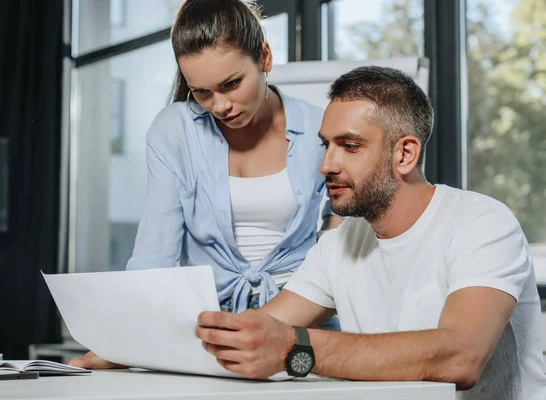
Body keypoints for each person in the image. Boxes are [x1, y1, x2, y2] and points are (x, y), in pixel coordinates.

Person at [194, 66, 546, 399]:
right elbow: (259, 332)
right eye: (325, 145)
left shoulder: (482, 223)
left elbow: (460, 357)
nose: (326, 165)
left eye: (349, 146)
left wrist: (295, 347)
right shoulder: (336, 246)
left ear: (405, 154)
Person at [69, 0, 341, 369]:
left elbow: (340, 244)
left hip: (301, 319)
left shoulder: (318, 130)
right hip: (207, 328)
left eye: (232, 84)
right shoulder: (175, 129)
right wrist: (125, 340)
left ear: (264, 57)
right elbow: (155, 253)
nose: (221, 105)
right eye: (202, 92)